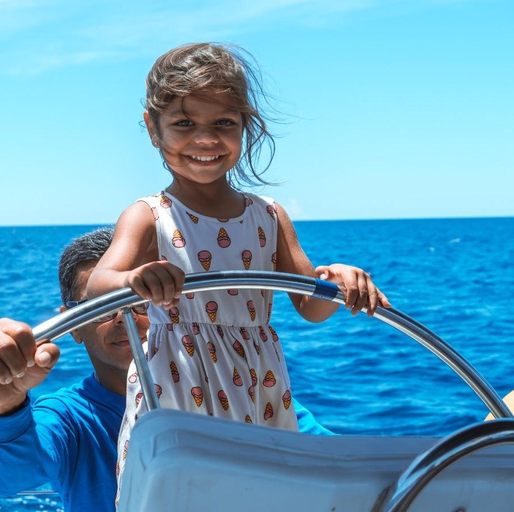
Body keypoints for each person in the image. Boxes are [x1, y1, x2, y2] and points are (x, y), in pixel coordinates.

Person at [84, 43, 391, 502]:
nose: (205, 139)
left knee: (265, 493)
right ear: (153, 128)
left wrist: (340, 280)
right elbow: (96, 285)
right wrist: (134, 280)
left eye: (223, 123)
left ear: (244, 126)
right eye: (184, 123)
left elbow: (309, 303)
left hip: (259, 383)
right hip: (178, 380)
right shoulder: (150, 215)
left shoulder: (268, 216)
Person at [0, 227, 331, 512]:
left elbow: (330, 459)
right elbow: (13, 478)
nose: (123, 319)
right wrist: (4, 403)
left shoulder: (232, 390)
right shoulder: (70, 418)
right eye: (100, 307)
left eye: (140, 303)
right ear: (71, 325)